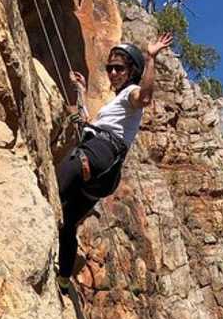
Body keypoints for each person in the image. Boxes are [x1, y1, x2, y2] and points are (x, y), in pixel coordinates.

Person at [55, 33, 173, 293]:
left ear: (132, 72)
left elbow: (144, 97)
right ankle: (64, 279)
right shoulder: (116, 104)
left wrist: (151, 58)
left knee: (53, 191)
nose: (113, 73)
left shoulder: (132, 93)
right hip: (106, 169)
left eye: (119, 68)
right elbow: (92, 124)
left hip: (100, 152)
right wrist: (81, 92)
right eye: (110, 68)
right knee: (68, 220)